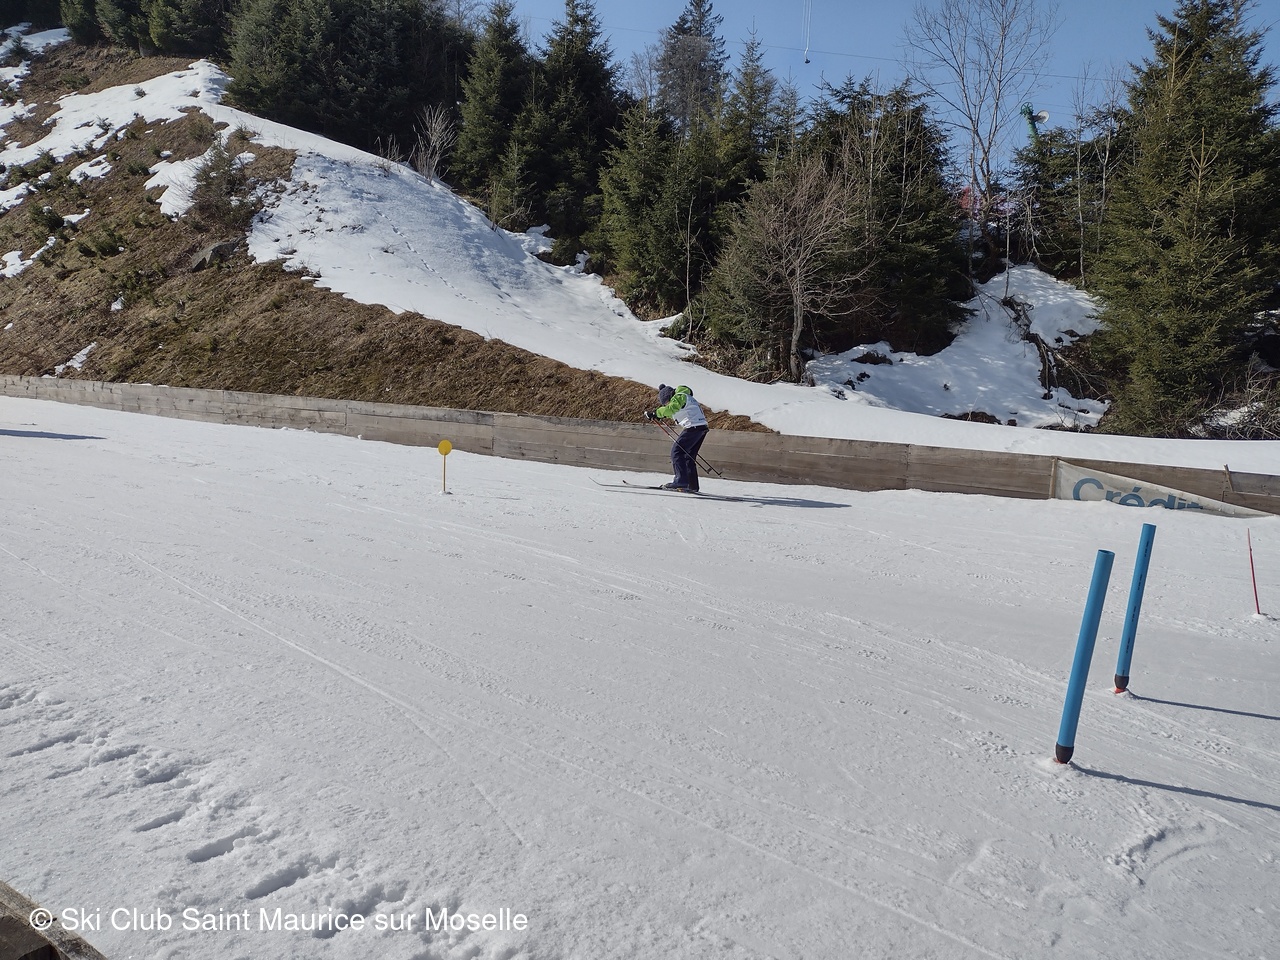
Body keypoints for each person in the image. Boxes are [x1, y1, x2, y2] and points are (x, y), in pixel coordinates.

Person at [644, 384, 709, 492]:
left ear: (669, 397)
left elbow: (670, 409)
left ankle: (681, 481)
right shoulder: (685, 397)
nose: (666, 405)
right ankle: (692, 485)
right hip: (700, 428)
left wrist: (656, 412)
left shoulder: (679, 396)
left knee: (677, 452)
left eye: (666, 403)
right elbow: (674, 412)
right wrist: (660, 415)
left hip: (693, 427)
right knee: (688, 457)